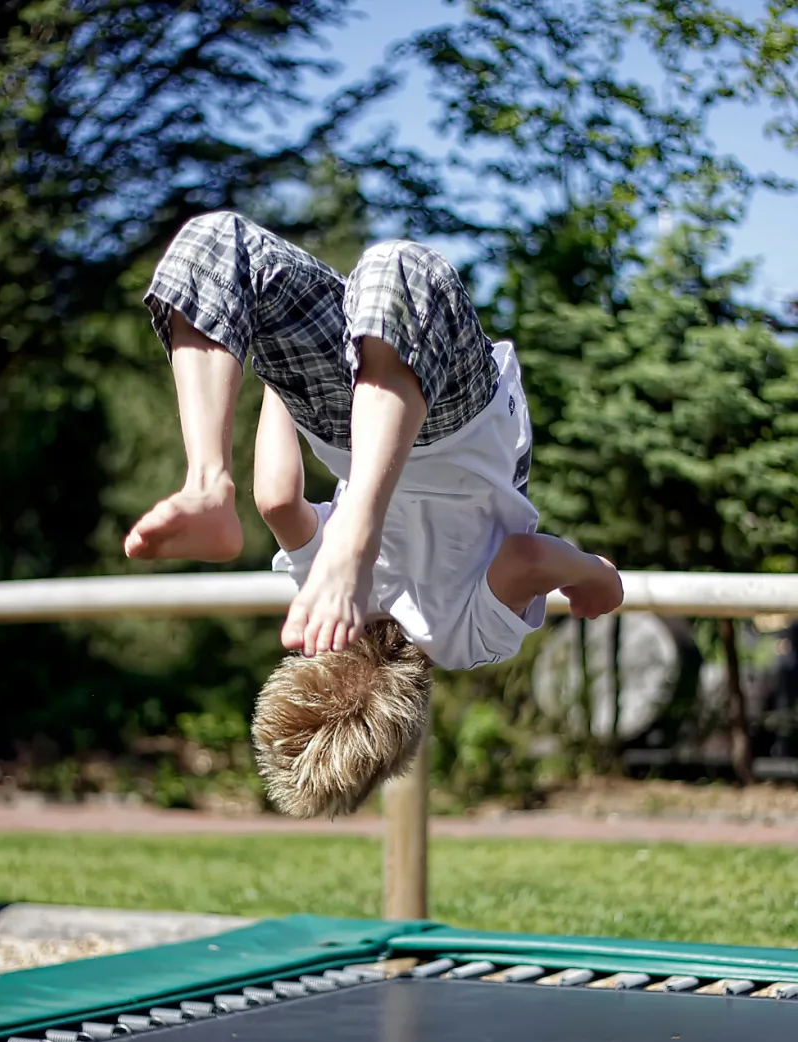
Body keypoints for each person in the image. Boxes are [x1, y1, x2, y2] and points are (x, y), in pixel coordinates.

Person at [125, 211, 623, 817]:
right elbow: (277, 500)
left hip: (455, 427)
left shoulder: (462, 639)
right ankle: (207, 480)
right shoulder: (322, 594)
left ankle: (235, 486)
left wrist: (596, 576)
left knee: (400, 272)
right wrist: (283, 373)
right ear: (310, 661)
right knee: (218, 247)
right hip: (360, 425)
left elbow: (528, 556)